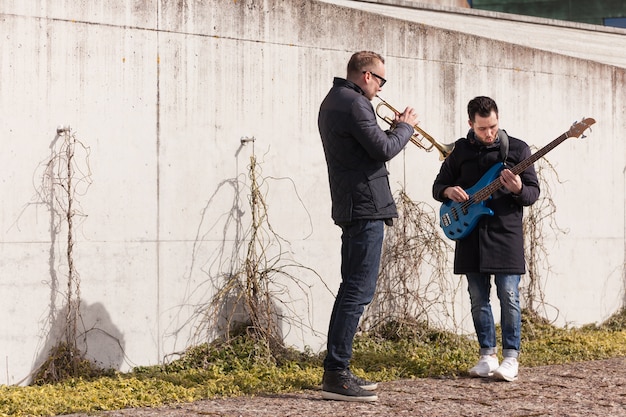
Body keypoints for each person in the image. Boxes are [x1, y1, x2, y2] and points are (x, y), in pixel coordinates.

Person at [317, 51, 417, 401]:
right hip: (365, 207)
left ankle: (337, 369)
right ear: (367, 75)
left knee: (353, 289)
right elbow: (384, 149)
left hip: (353, 203)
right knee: (358, 290)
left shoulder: (335, 101)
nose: (380, 88)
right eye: (381, 80)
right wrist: (405, 127)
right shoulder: (356, 104)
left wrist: (390, 130)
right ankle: (337, 373)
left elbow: (367, 148)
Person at [432, 96, 540, 382]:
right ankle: (487, 356)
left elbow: (532, 194)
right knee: (478, 297)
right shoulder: (460, 151)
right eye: (482, 129)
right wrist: (449, 191)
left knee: (509, 295)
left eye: (493, 126)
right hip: (470, 232)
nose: (489, 133)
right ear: (471, 124)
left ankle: (511, 358)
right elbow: (438, 186)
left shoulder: (517, 149)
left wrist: (518, 188)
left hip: (506, 233)